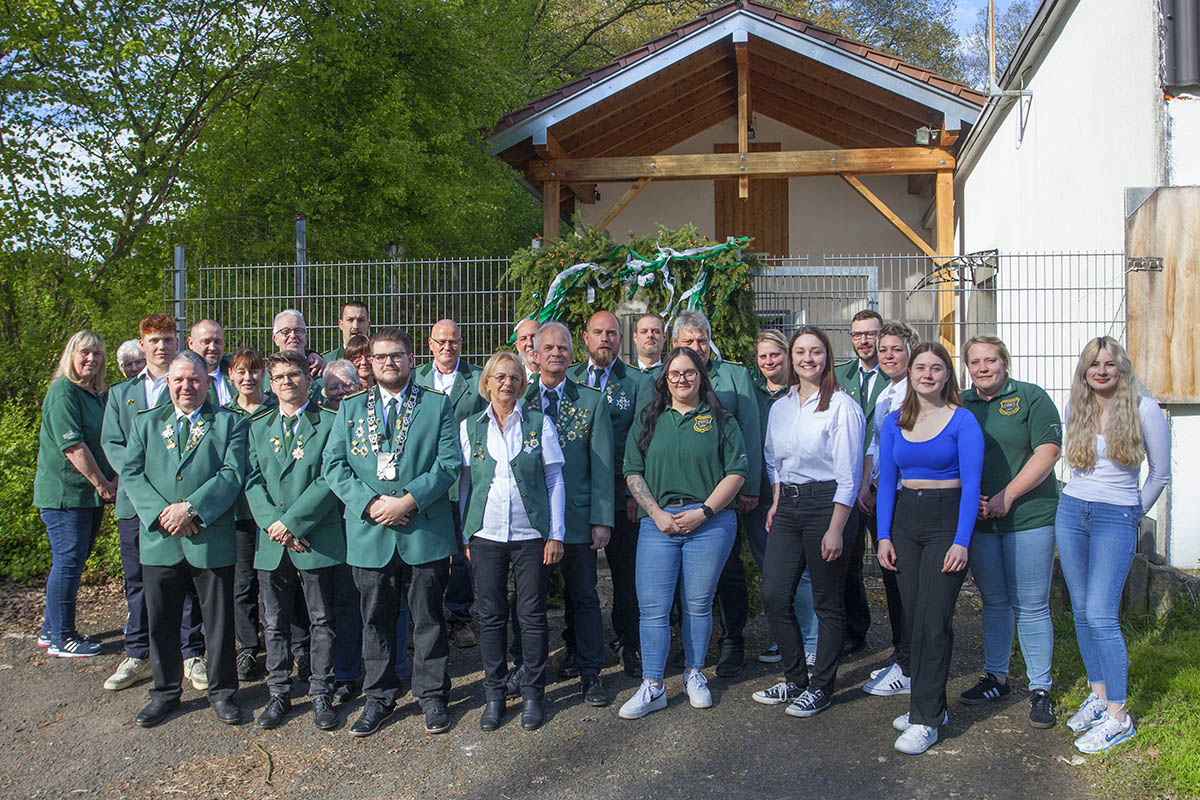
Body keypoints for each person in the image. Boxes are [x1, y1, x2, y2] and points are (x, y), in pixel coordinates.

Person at [322, 328, 461, 737]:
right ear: (370, 361)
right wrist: (371, 504)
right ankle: (380, 696)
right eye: (380, 357)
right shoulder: (350, 410)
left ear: (410, 358)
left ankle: (432, 695)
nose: (387, 363)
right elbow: (334, 466)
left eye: (396, 356)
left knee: (428, 618)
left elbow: (449, 463)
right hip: (370, 531)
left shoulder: (436, 406)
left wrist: (407, 501)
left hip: (423, 530)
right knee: (375, 619)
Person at [618, 347, 748, 719]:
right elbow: (632, 470)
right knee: (654, 608)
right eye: (674, 374)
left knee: (697, 603)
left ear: (701, 376)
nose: (682, 380)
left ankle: (694, 673)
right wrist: (656, 513)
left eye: (689, 373)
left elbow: (736, 473)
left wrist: (705, 511)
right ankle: (653, 685)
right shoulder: (649, 418)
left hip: (709, 521)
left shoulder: (721, 418)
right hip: (658, 522)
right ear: (665, 380)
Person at [122, 350, 248, 728]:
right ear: (167, 382)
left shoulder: (229, 423)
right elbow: (131, 472)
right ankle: (164, 692)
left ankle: (223, 691)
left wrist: (191, 509)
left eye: (194, 379)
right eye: (178, 380)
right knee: (161, 618)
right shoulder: (145, 423)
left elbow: (232, 473)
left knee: (219, 620)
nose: (186, 386)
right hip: (161, 538)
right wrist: (165, 514)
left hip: (209, 537)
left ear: (207, 382)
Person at [1057, 336, 1169, 754]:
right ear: (1084, 371)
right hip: (1071, 511)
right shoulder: (1076, 408)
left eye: (1109, 364)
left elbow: (1159, 474)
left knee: (1102, 615)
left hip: (1114, 516)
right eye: (1093, 364)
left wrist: (1130, 512)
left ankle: (1120, 717)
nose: (1101, 371)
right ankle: (1100, 696)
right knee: (1082, 612)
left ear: (1121, 369)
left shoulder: (1145, 409)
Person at [875, 343, 984, 755]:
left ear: (947, 375)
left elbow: (972, 487)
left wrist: (961, 540)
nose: (926, 374)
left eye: (936, 368)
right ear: (909, 372)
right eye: (920, 367)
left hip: (946, 520)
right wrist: (884, 535)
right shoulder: (893, 422)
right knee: (914, 619)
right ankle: (929, 704)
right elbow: (887, 482)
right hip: (906, 521)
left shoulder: (963, 421)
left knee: (934, 621)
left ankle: (925, 720)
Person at [753, 326, 864, 718]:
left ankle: (822, 687)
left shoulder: (841, 406)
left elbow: (849, 474)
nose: (807, 359)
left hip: (827, 505)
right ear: (791, 358)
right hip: (789, 506)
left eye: (815, 351)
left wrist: (837, 527)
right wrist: (777, 498)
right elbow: (772, 458)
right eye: (800, 352)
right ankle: (796, 678)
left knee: (826, 600)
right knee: (774, 594)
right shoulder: (781, 407)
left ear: (826, 356)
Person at [459, 351, 566, 731]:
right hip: (486, 535)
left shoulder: (538, 423)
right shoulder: (470, 427)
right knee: (489, 616)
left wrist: (556, 533)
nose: (507, 383)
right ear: (486, 383)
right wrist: (466, 532)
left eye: (514, 377)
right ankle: (494, 693)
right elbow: (467, 483)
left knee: (532, 615)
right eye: (499, 377)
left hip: (530, 535)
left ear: (522, 383)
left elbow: (554, 479)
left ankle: (534, 693)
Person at [961, 335, 1062, 728]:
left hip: (1029, 518)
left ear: (1005, 362)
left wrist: (1007, 496)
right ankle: (996, 678)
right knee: (995, 600)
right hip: (982, 523)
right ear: (967, 367)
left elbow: (1048, 451)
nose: (983, 368)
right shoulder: (962, 405)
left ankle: (1040, 689)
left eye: (991, 360)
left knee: (1032, 604)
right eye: (975, 362)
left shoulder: (1032, 398)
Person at [101, 314, 206, 693]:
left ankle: (191, 652)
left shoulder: (190, 384)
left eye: (168, 339)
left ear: (179, 343)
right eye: (154, 341)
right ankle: (138, 652)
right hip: (139, 504)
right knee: (138, 581)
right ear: (142, 345)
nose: (161, 346)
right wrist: (146, 486)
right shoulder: (121, 393)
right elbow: (113, 444)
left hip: (185, 507)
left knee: (189, 581)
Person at [244, 351, 345, 731]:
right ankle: (279, 692)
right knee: (274, 622)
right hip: (272, 541)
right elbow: (251, 480)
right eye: (280, 376)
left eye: (295, 374)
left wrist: (295, 524)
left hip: (315, 535)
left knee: (322, 618)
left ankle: (321, 691)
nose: (288, 381)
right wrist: (275, 524)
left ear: (309, 378)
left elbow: (331, 477)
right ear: (271, 384)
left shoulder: (332, 423)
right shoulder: (257, 427)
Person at [523, 322, 614, 706]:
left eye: (563, 347)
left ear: (572, 355)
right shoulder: (518, 397)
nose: (556, 353)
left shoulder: (591, 401)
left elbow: (603, 464)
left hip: (577, 519)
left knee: (584, 596)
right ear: (536, 354)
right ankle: (528, 672)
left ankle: (591, 670)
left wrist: (602, 519)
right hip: (529, 521)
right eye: (549, 347)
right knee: (530, 602)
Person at [672, 309, 760, 677]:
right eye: (688, 341)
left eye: (702, 340)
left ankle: (732, 640)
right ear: (675, 344)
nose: (696, 347)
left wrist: (751, 487)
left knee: (727, 571)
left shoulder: (734, 376)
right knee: (680, 574)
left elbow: (751, 432)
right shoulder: (669, 379)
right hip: (679, 493)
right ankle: (690, 645)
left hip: (724, 494)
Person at [567, 310, 652, 678]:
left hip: (623, 497)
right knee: (577, 580)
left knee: (627, 577)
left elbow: (643, 438)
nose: (605, 339)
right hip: (576, 500)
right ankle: (575, 647)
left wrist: (637, 493)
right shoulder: (566, 379)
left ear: (621, 339)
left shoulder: (635, 382)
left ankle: (629, 644)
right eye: (598, 332)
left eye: (612, 333)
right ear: (585, 338)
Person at [34, 331, 117, 658]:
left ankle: (49, 628)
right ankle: (63, 637)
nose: (91, 360)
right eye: (85, 353)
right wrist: (102, 483)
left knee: (72, 561)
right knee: (68, 563)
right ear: (71, 355)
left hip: (88, 497)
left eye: (97, 355)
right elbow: (73, 446)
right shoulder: (63, 392)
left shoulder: (94, 394)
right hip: (67, 495)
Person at [746, 330, 817, 669]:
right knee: (773, 573)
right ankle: (784, 638)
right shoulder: (751, 391)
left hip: (798, 496)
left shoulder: (800, 392)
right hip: (759, 496)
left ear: (787, 356)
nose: (769, 362)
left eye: (775, 355)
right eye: (763, 357)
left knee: (802, 573)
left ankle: (811, 639)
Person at [414, 319, 485, 649]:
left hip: (462, 480)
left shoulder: (477, 380)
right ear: (430, 344)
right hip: (423, 480)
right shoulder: (415, 380)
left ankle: (459, 617)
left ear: (461, 343)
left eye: (453, 341)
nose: (447, 347)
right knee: (424, 554)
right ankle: (423, 619)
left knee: (461, 553)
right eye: (441, 341)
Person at [859, 321, 920, 698]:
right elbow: (875, 445)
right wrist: (867, 484)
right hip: (883, 493)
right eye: (883, 350)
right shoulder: (885, 396)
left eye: (895, 349)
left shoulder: (918, 391)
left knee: (908, 581)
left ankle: (913, 664)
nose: (888, 356)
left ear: (911, 352)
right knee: (892, 578)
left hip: (908, 495)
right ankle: (902, 654)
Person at [224, 347, 278, 681]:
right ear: (230, 375)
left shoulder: (277, 408)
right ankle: (246, 648)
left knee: (280, 581)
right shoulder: (223, 414)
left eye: (254, 371)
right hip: (240, 513)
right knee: (243, 583)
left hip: (276, 511)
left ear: (265, 374)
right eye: (240, 371)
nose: (248, 378)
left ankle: (290, 645)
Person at [835, 309, 886, 655]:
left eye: (871, 333)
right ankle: (855, 630)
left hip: (886, 484)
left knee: (891, 562)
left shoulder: (900, 375)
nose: (864, 340)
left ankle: (905, 638)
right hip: (849, 483)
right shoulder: (839, 376)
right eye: (858, 335)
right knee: (847, 563)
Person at [318, 359, 368, 704]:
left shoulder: (368, 415)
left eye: (346, 385)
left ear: (359, 386)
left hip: (363, 520)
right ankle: (335, 671)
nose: (339, 392)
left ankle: (359, 671)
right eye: (332, 387)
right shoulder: (318, 422)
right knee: (329, 606)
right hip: (322, 526)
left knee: (360, 602)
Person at [189, 319, 234, 407]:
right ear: (191, 343)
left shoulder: (238, 372)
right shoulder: (181, 377)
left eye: (217, 342)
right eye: (206, 342)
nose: (212, 348)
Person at [272, 309, 326, 380]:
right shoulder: (267, 376)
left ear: (306, 337)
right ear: (275, 339)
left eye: (298, 331)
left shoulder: (322, 371)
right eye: (286, 331)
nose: (293, 335)